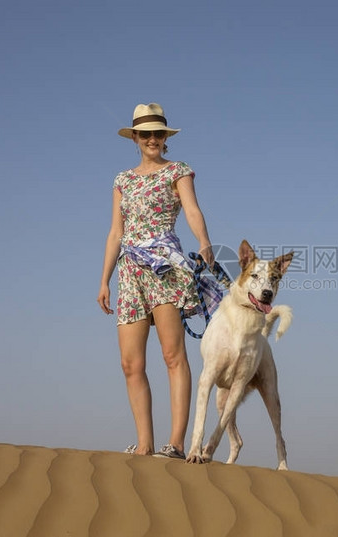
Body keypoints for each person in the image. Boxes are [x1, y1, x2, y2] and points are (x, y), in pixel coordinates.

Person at [97, 103, 215, 458]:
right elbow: (115, 232)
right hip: (130, 272)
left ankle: (176, 443)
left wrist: (204, 241)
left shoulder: (178, 171)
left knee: (172, 354)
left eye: (158, 133)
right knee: (130, 363)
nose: (152, 139)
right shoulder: (122, 180)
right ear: (134, 137)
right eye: (145, 133)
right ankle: (145, 444)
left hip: (166, 266)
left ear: (166, 138)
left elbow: (192, 209)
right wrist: (104, 280)